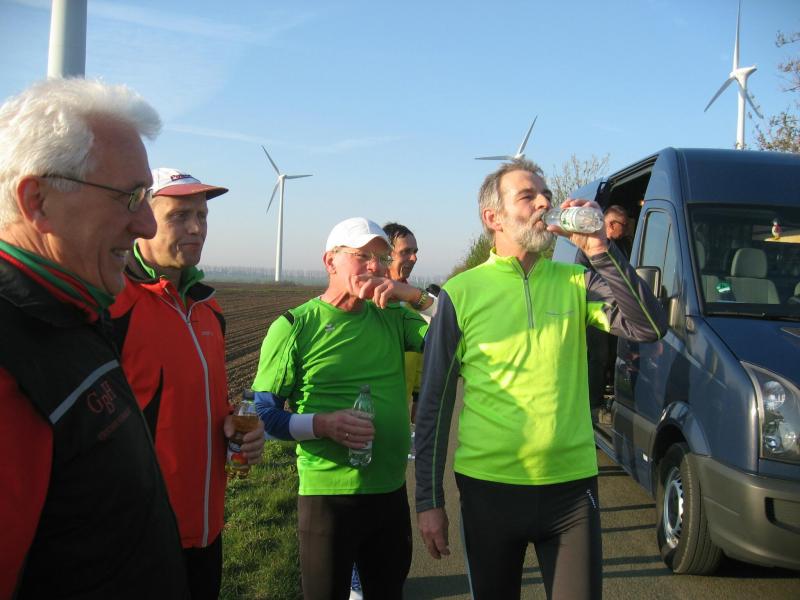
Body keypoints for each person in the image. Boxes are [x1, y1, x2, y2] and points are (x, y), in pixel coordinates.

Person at [414, 159, 667, 600]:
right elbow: (434, 402)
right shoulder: (461, 293)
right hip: (489, 489)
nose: (543, 203)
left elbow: (648, 326)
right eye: (527, 196)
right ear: (493, 217)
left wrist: (601, 250)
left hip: (571, 491)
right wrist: (429, 501)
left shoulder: (576, 280)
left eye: (545, 194)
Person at [0, 79, 189, 598]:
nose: (146, 224)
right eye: (131, 197)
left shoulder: (72, 309)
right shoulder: (10, 362)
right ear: (37, 201)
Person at [252, 217, 434, 600]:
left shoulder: (394, 315)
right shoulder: (295, 326)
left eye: (382, 258)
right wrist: (322, 425)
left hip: (389, 491)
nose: (375, 267)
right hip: (328, 498)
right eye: (362, 256)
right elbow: (264, 415)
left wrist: (414, 296)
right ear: (330, 261)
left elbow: (455, 341)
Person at [108, 167, 265, 599]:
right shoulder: (112, 304)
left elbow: (205, 405)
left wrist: (234, 427)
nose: (197, 227)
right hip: (138, 542)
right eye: (179, 215)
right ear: (141, 217)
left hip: (207, 531)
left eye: (202, 215)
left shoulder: (209, 308)